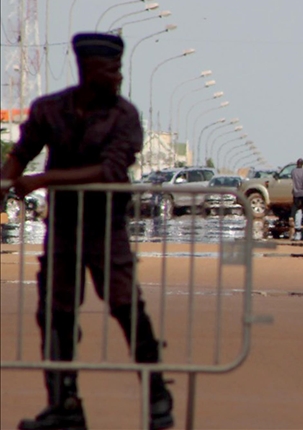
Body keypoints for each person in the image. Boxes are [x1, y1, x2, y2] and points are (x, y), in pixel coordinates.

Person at [0, 33, 174, 430]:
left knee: (125, 306)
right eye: (111, 70)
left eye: (119, 69)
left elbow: (110, 171)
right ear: (88, 69)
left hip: (105, 227)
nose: (118, 76)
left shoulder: (124, 116)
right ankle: (64, 404)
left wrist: (43, 180)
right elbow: (20, 154)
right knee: (56, 312)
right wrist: (5, 184)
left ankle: (157, 396)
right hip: (62, 228)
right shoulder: (50, 110)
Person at [290, 158, 303, 229]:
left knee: (295, 205)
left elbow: (293, 180)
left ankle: (292, 218)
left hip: (295, 191)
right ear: (302, 164)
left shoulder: (293, 171)